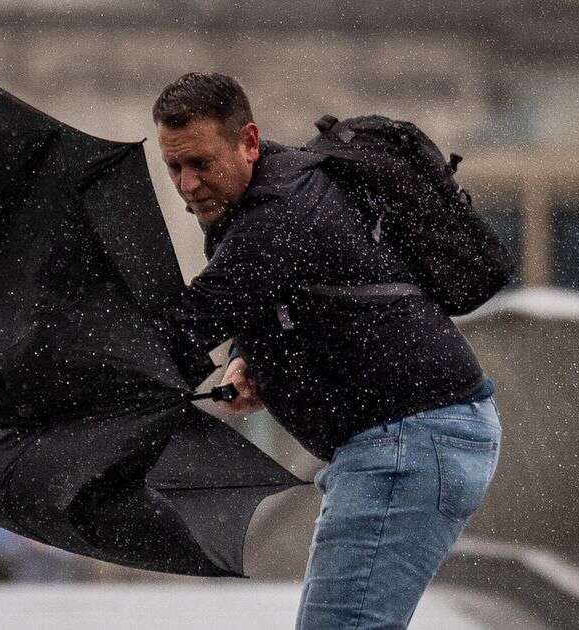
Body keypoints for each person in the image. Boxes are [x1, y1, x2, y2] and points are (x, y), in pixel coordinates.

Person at [152, 73, 501, 629]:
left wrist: (41, 372)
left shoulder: (277, 213)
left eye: (200, 163)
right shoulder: (262, 200)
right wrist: (251, 358)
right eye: (174, 167)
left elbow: (174, 336)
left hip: (409, 443)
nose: (188, 183)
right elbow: (280, 295)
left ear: (248, 141)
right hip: (410, 440)